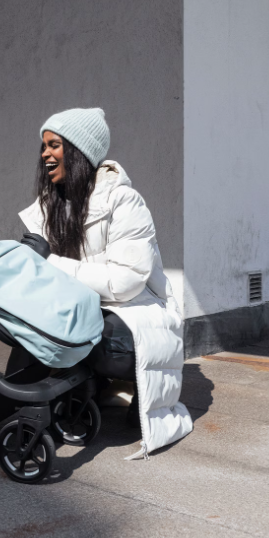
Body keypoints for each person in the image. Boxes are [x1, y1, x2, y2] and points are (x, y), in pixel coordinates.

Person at [19, 108, 193, 459]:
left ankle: (118, 383)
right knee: (24, 329)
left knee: (104, 343)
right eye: (43, 146)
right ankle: (21, 405)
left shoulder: (124, 202)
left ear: (79, 150)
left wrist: (50, 262)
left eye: (54, 145)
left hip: (134, 312)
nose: (45, 154)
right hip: (85, 309)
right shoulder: (48, 207)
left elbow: (125, 282)